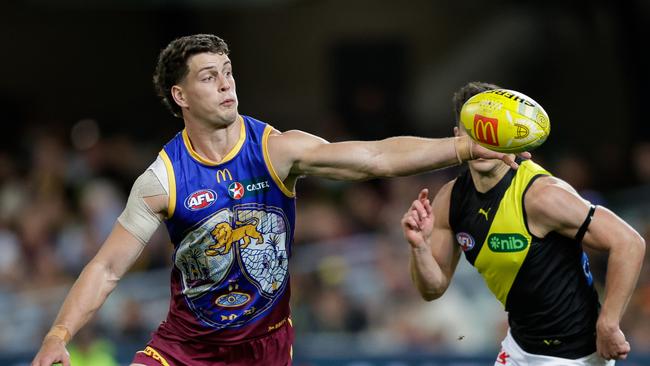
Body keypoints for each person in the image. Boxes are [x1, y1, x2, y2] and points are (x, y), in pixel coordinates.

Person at [30, 35, 523, 366]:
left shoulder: (277, 151)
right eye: (208, 77)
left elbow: (374, 158)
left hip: (267, 350)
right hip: (184, 351)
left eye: (227, 71)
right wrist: (58, 335)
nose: (226, 84)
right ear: (180, 96)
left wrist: (462, 147)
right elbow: (106, 269)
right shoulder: (162, 180)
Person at [400, 81, 646, 365]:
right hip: (518, 348)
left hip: (577, 356)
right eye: (474, 133)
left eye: (491, 132)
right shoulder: (450, 199)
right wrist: (418, 247)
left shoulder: (542, 195)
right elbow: (433, 288)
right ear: (457, 137)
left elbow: (629, 243)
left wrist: (609, 324)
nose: (483, 143)